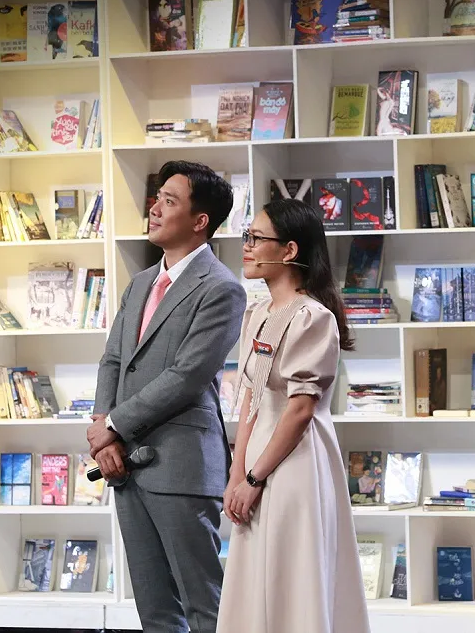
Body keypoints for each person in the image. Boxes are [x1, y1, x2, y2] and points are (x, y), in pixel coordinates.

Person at [88, 160, 246, 633]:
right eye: (156, 198)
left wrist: (113, 425)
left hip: (182, 466)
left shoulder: (221, 288)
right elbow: (113, 360)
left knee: (205, 607)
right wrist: (103, 430)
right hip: (124, 464)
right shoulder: (140, 283)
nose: (154, 208)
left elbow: (187, 376)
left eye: (169, 201)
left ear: (200, 221)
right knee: (154, 610)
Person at [217, 199, 370, 633]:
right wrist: (237, 471)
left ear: (289, 250)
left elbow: (300, 409)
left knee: (292, 578)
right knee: (254, 578)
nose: (247, 246)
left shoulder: (312, 318)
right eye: (247, 236)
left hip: (295, 463)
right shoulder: (256, 314)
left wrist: (254, 478)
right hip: (256, 462)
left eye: (256, 238)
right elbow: (250, 396)